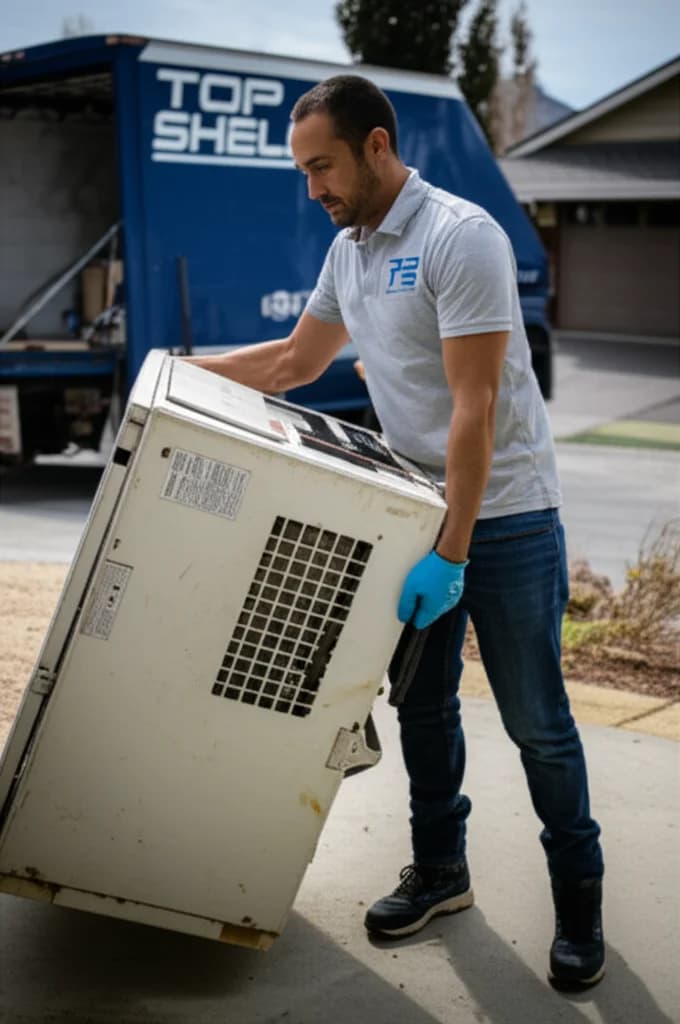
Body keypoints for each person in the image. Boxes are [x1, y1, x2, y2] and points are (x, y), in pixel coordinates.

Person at [186, 74, 605, 990]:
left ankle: (580, 903)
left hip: (507, 516)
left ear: (377, 146)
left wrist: (453, 552)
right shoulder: (352, 249)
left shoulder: (463, 239)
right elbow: (297, 360)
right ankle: (442, 872)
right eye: (304, 172)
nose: (314, 189)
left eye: (323, 166)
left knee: (539, 724)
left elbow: (475, 409)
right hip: (420, 511)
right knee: (423, 707)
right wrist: (182, 374)